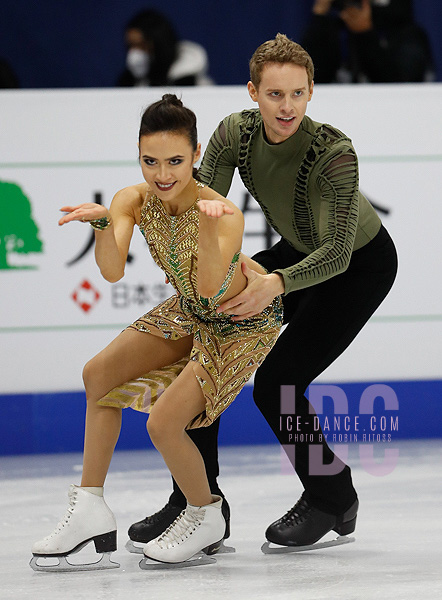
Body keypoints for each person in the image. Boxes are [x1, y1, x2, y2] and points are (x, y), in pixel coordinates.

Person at [128, 33, 398, 550]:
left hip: (360, 265)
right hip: (295, 251)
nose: (287, 106)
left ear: (312, 92)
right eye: (275, 94)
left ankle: (332, 496)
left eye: (297, 94)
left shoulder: (335, 153)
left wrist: (273, 283)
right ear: (253, 92)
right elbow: (195, 206)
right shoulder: (235, 133)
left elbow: (338, 252)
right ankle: (199, 500)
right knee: (208, 340)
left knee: (278, 381)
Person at [30, 94, 282, 569]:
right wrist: (105, 223)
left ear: (197, 155)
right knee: (98, 375)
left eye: (175, 161)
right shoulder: (133, 198)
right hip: (191, 310)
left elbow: (211, 291)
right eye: (150, 161)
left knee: (163, 423)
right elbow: (110, 271)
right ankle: (90, 508)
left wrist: (209, 232)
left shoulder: (223, 212)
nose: (162, 174)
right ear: (139, 156)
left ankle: (206, 515)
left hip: (239, 322)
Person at [302, 0, 434, 83]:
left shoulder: (408, 35)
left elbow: (401, 87)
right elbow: (307, 81)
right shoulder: (333, 30)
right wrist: (319, 16)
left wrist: (365, 33)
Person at [117, 9, 212, 87]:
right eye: (131, 46)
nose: (134, 52)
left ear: (160, 44)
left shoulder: (194, 83)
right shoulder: (130, 82)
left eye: (141, 45)